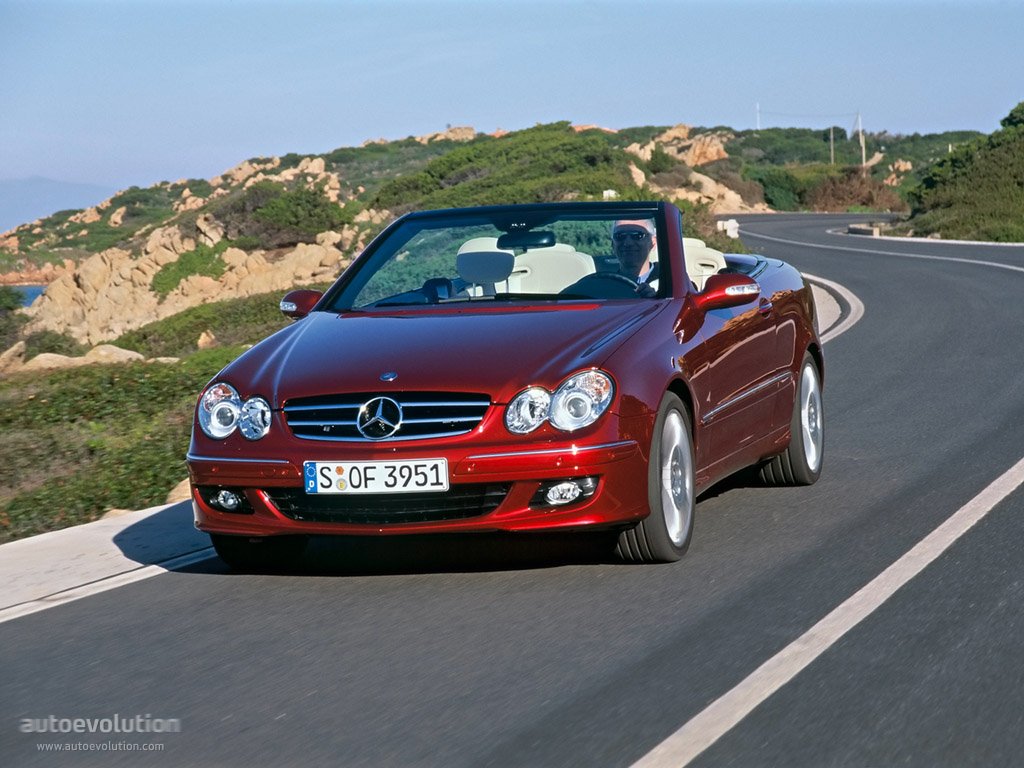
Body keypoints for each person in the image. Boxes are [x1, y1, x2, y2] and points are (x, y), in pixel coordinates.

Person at [611, 219, 658, 296]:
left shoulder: (672, 282)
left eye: (637, 236)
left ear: (653, 242)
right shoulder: (604, 287)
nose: (628, 243)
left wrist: (657, 300)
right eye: (620, 236)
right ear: (612, 244)